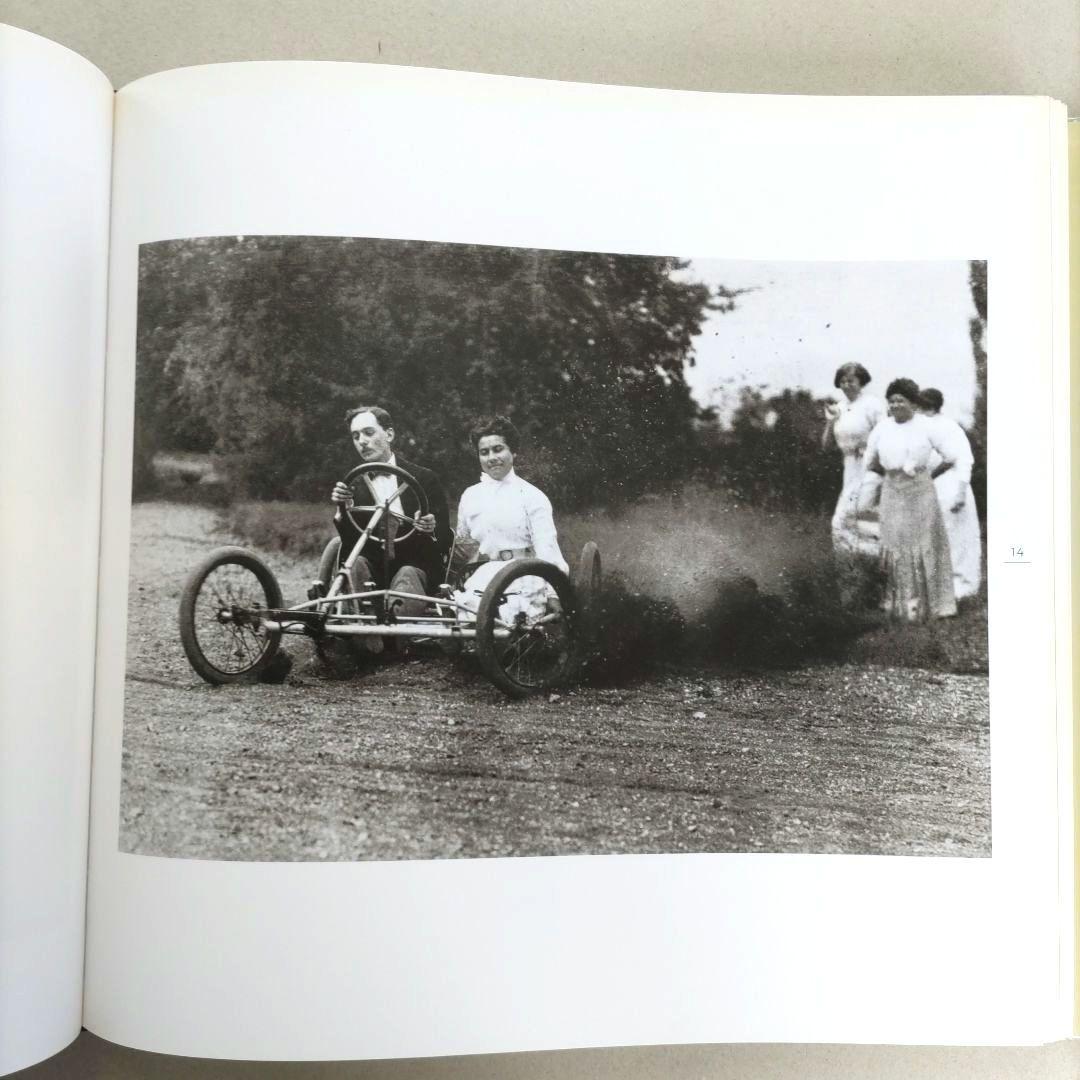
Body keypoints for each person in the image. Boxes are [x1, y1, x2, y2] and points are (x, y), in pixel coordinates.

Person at [330, 406, 452, 621]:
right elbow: (350, 545)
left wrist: (430, 526)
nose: (362, 441)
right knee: (355, 565)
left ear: (389, 434)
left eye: (369, 433)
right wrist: (344, 508)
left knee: (408, 573)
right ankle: (363, 629)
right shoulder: (353, 483)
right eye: (356, 436)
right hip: (372, 566)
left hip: (416, 564)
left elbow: (444, 539)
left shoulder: (425, 479)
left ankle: (389, 638)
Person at [859, 378, 958, 622]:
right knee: (895, 542)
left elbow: (950, 456)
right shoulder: (882, 428)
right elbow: (869, 461)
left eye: (900, 401)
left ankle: (934, 605)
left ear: (913, 403)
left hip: (921, 490)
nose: (895, 406)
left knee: (924, 541)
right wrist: (891, 475)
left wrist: (925, 475)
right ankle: (900, 604)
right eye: (891, 401)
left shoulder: (926, 425)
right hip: (893, 491)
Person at [452, 415, 568, 620]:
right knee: (466, 615)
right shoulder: (470, 496)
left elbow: (547, 548)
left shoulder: (532, 496)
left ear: (512, 451)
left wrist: (553, 593)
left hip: (525, 574)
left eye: (498, 449)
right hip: (486, 574)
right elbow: (465, 545)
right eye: (484, 452)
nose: (492, 458)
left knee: (509, 620)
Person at [919, 388, 982, 600]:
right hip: (933, 486)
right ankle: (941, 586)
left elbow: (964, 459)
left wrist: (961, 492)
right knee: (939, 537)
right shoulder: (920, 426)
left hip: (952, 484)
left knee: (958, 537)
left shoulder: (948, 426)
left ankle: (964, 586)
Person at [821, 362, 885, 559]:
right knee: (844, 520)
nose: (847, 385)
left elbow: (885, 436)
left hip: (872, 465)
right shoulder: (838, 408)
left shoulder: (872, 404)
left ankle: (877, 563)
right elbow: (826, 445)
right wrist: (830, 422)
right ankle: (852, 564)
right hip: (850, 466)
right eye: (842, 381)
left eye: (851, 380)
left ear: (861, 381)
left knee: (862, 515)